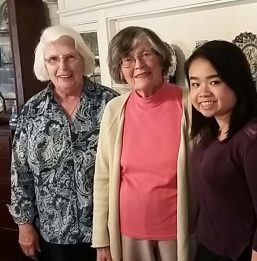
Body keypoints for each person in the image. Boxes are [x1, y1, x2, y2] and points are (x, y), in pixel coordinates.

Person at [8, 24, 118, 261]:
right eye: (53, 59)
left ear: (83, 60)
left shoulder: (110, 103)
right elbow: (20, 171)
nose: (63, 67)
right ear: (44, 65)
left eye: (70, 57)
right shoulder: (32, 110)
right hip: (53, 233)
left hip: (105, 231)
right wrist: (24, 224)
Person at [92, 26, 191, 261]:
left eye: (146, 54)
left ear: (161, 58)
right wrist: (102, 240)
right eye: (127, 59)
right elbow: (103, 177)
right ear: (119, 69)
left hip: (179, 232)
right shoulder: (115, 109)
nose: (138, 64)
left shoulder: (188, 103)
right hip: (129, 235)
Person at [184, 40, 257, 261]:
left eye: (215, 82)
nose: (203, 92)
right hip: (209, 248)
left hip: (241, 253)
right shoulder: (212, 131)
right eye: (195, 84)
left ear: (237, 82)